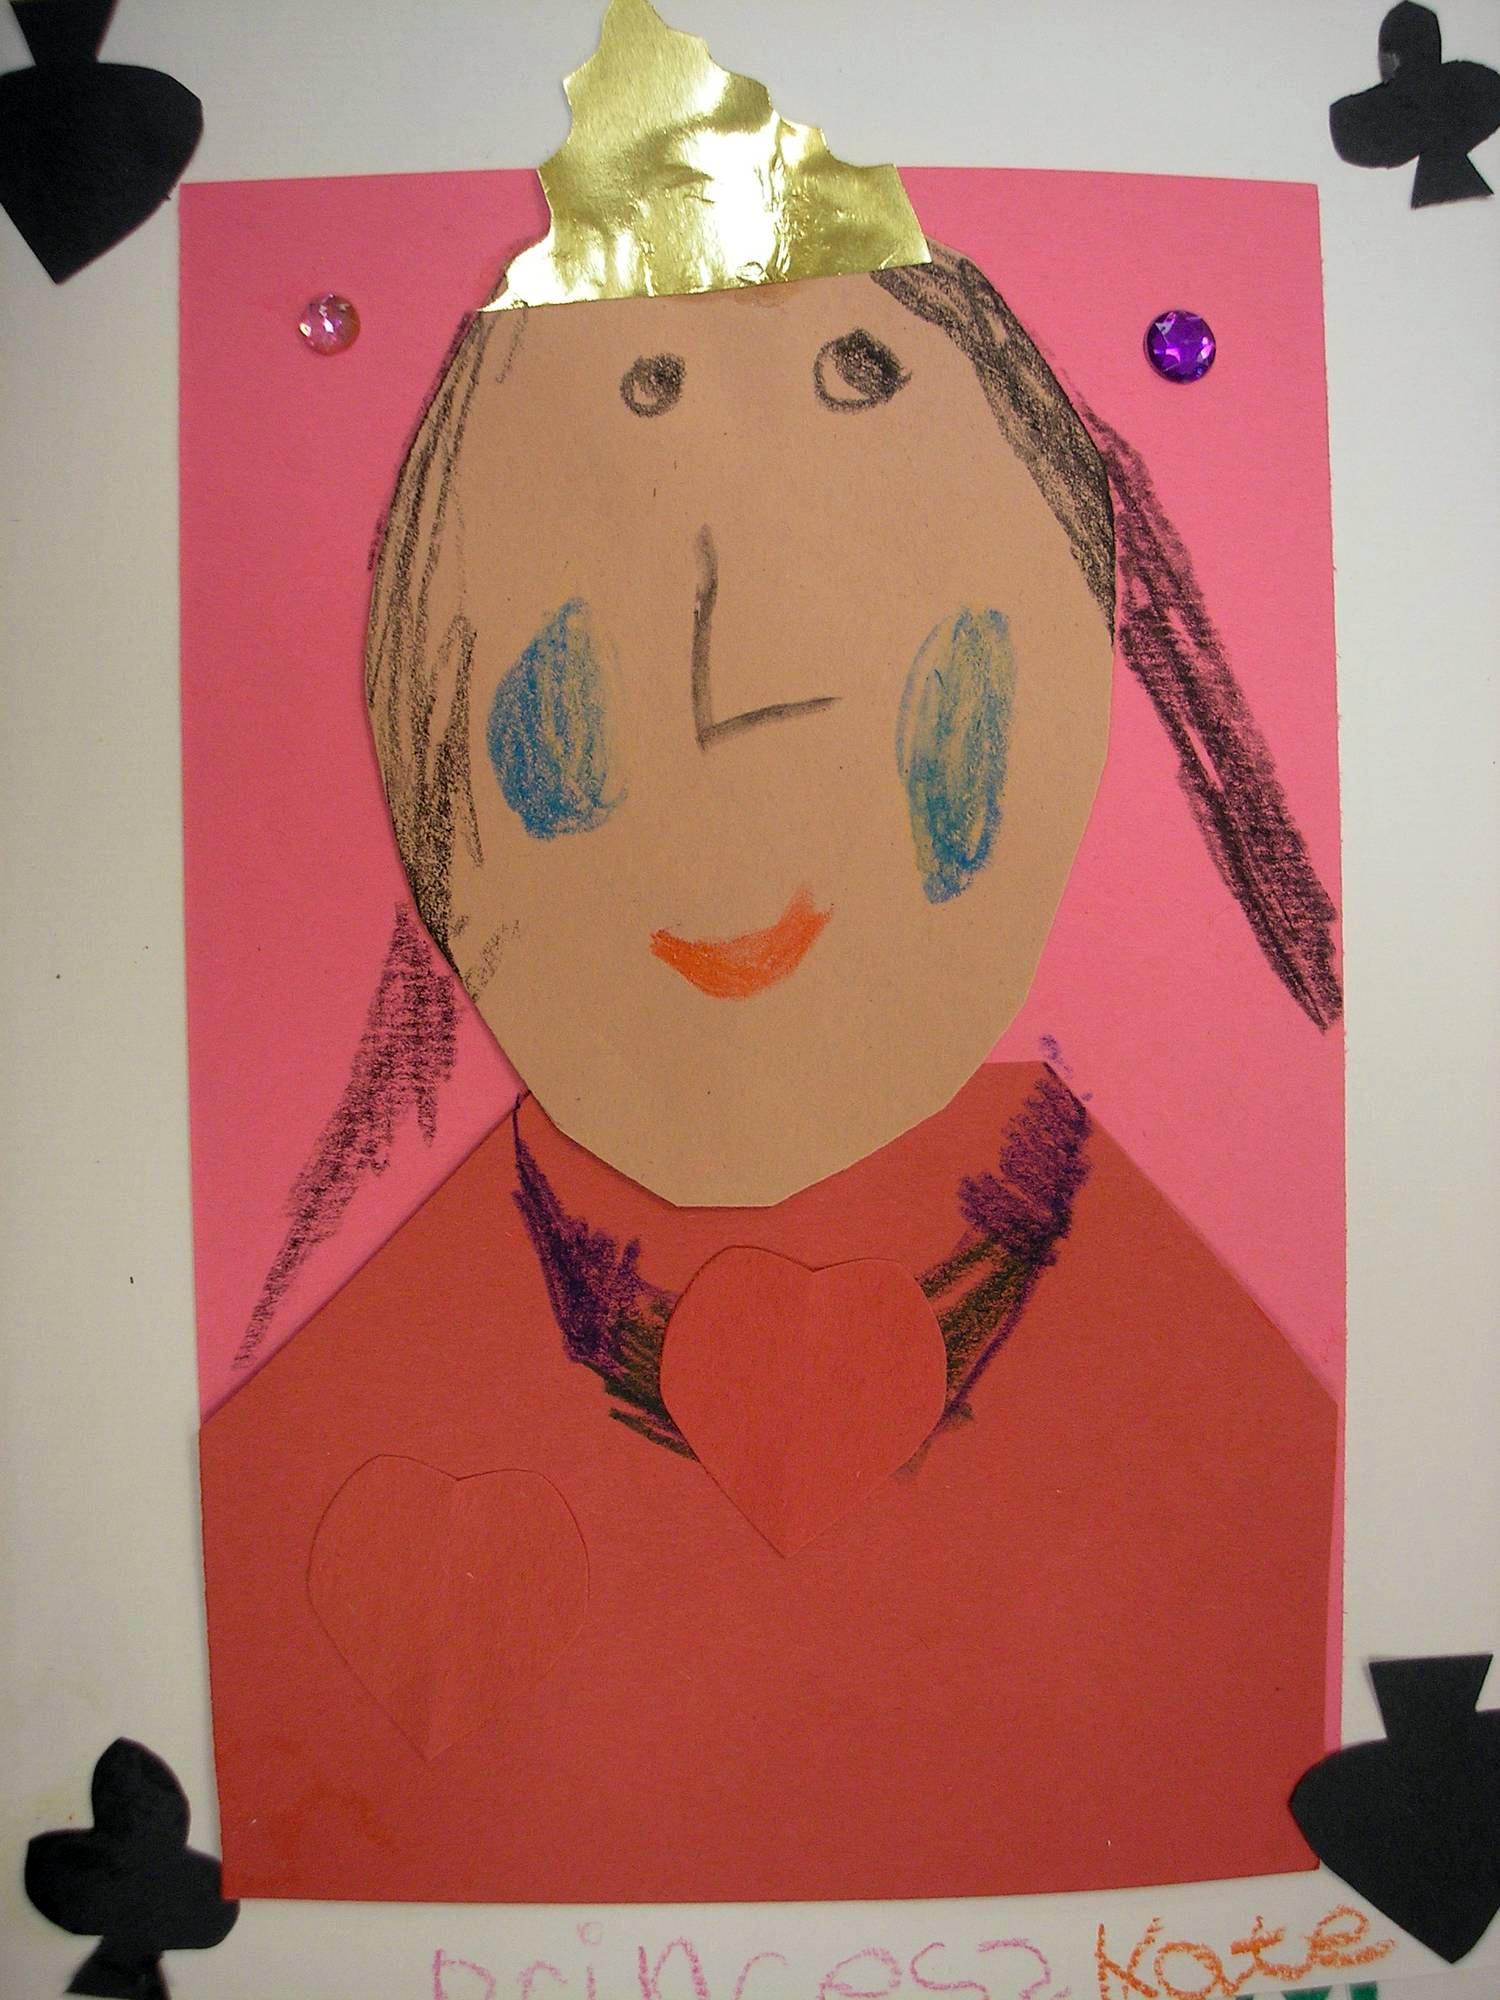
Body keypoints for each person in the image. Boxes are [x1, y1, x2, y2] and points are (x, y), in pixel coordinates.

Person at [199, 0, 1339, 1906]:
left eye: (917, 693)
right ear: (425, 725)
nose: (733, 747)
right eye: (569, 713)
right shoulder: (296, 1449)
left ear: (1085, 648)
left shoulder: (1264, 1433)